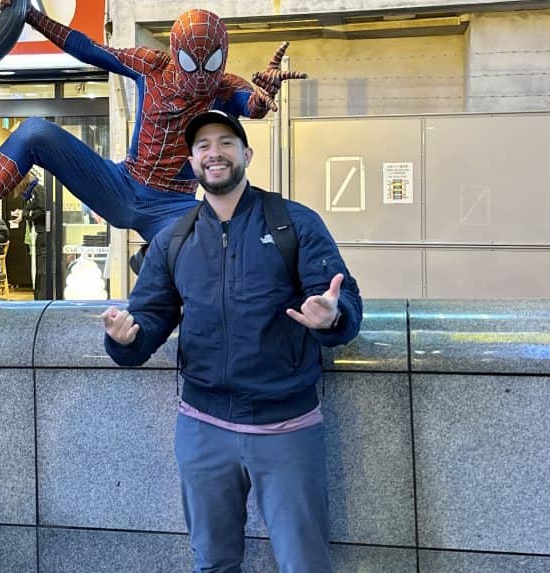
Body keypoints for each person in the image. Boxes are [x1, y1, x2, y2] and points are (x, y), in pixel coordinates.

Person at [100, 110, 362, 573]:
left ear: (247, 155)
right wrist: (125, 339)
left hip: (286, 427)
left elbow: (343, 301)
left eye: (225, 142)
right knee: (213, 563)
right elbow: (150, 317)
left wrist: (331, 317)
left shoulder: (293, 223)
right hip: (202, 428)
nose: (214, 153)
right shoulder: (174, 238)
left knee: (304, 563)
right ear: (192, 162)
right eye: (203, 146)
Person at [0, 0, 305, 252]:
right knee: (34, 131)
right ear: (176, 54)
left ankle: (158, 266)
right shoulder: (151, 66)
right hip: (121, 186)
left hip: (174, 208)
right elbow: (89, 49)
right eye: (191, 64)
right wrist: (31, 16)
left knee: (200, 250)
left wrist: (263, 96)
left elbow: (250, 106)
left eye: (211, 64)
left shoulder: (224, 87)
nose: (201, 76)